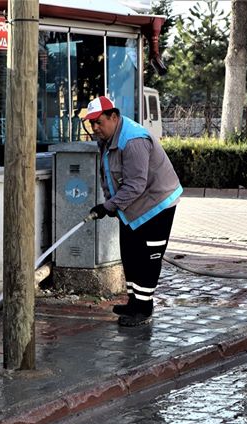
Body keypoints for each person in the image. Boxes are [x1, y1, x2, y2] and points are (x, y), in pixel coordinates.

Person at [84, 95, 183, 327]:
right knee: (130, 253)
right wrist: (112, 204)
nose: (95, 128)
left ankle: (144, 308)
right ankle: (134, 302)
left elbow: (135, 185)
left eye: (99, 122)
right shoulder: (108, 139)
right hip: (131, 206)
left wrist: (108, 206)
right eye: (91, 123)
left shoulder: (133, 141)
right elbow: (110, 175)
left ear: (114, 117)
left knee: (147, 258)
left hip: (157, 204)